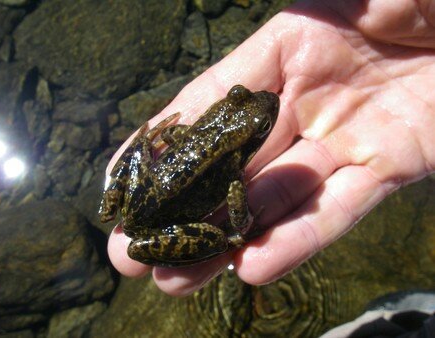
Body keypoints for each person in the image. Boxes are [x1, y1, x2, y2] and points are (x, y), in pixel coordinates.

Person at [107, 0, 435, 297]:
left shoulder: (191, 133)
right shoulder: (230, 177)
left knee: (143, 147)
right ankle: (214, 243)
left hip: (138, 198)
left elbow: (178, 133)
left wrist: (157, 142)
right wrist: (238, 228)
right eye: (239, 96)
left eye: (241, 96)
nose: (260, 99)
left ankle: (110, 206)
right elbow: (238, 218)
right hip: (159, 222)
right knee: (220, 239)